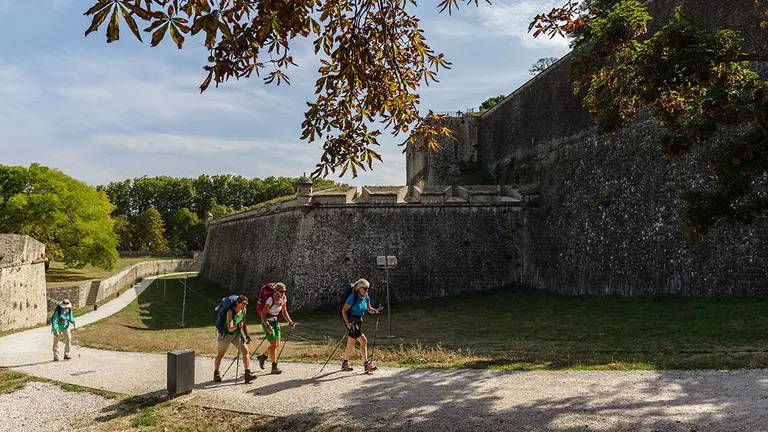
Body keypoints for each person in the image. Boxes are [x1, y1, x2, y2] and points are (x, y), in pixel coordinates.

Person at [341, 278, 382, 373]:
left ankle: (345, 363)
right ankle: (366, 365)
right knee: (363, 341)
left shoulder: (366, 297)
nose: (367, 290)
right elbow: (344, 310)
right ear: (359, 288)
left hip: (359, 322)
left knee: (351, 343)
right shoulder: (353, 297)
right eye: (365, 288)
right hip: (353, 323)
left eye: (367, 288)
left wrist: (376, 311)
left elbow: (369, 309)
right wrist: (348, 324)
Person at [213, 295, 256, 383]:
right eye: (243, 304)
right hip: (225, 335)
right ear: (237, 303)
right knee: (220, 354)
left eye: (246, 304)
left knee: (245, 351)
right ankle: (216, 373)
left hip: (236, 334)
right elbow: (230, 328)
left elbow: (243, 323)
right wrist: (238, 326)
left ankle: (247, 374)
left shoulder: (244, 310)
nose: (244, 306)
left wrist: (247, 335)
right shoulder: (230, 312)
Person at [256, 283, 296, 374]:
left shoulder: (283, 298)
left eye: (284, 291)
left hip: (276, 322)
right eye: (281, 291)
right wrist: (267, 326)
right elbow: (263, 314)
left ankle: (263, 356)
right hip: (267, 322)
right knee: (273, 344)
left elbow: (284, 311)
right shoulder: (270, 299)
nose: (283, 293)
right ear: (276, 291)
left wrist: (290, 321)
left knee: (276, 344)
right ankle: (274, 367)